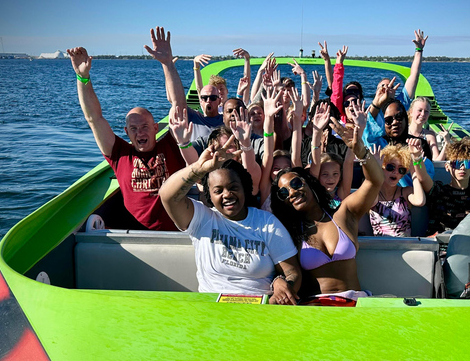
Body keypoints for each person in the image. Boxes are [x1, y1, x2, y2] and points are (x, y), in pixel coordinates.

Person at [158, 136, 302, 304]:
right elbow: (167, 196)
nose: (227, 194)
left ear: (245, 188)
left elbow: (293, 272)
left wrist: (280, 291)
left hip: (260, 310)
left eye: (233, 187)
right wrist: (199, 168)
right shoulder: (202, 219)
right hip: (211, 310)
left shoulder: (267, 223)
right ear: (209, 195)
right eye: (218, 191)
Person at [66, 45, 186, 231]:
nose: (140, 133)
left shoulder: (171, 146)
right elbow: (94, 118)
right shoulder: (119, 154)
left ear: (156, 128)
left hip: (175, 235)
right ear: (126, 132)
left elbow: (179, 106)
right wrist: (82, 77)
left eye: (145, 127)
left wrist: (168, 65)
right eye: (134, 129)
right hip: (135, 237)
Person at [271, 116, 384, 300]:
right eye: (284, 193)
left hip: (355, 305)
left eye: (296, 183)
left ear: (310, 183)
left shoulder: (344, 214)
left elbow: (376, 180)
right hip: (317, 310)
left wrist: (360, 151)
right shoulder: (290, 233)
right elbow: (283, 271)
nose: (292, 192)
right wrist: (277, 281)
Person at [144, 27, 223, 142]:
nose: (208, 101)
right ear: (200, 101)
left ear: (220, 101)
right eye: (204, 98)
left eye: (213, 97)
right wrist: (167, 64)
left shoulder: (227, 119)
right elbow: (177, 101)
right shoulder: (193, 118)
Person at [370, 140, 434, 237]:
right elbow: (371, 202)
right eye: (390, 167)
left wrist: (413, 172)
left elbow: (420, 201)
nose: (395, 172)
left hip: (404, 247)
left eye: (401, 169)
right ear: (382, 167)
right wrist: (375, 170)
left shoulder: (405, 192)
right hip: (379, 248)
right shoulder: (374, 193)